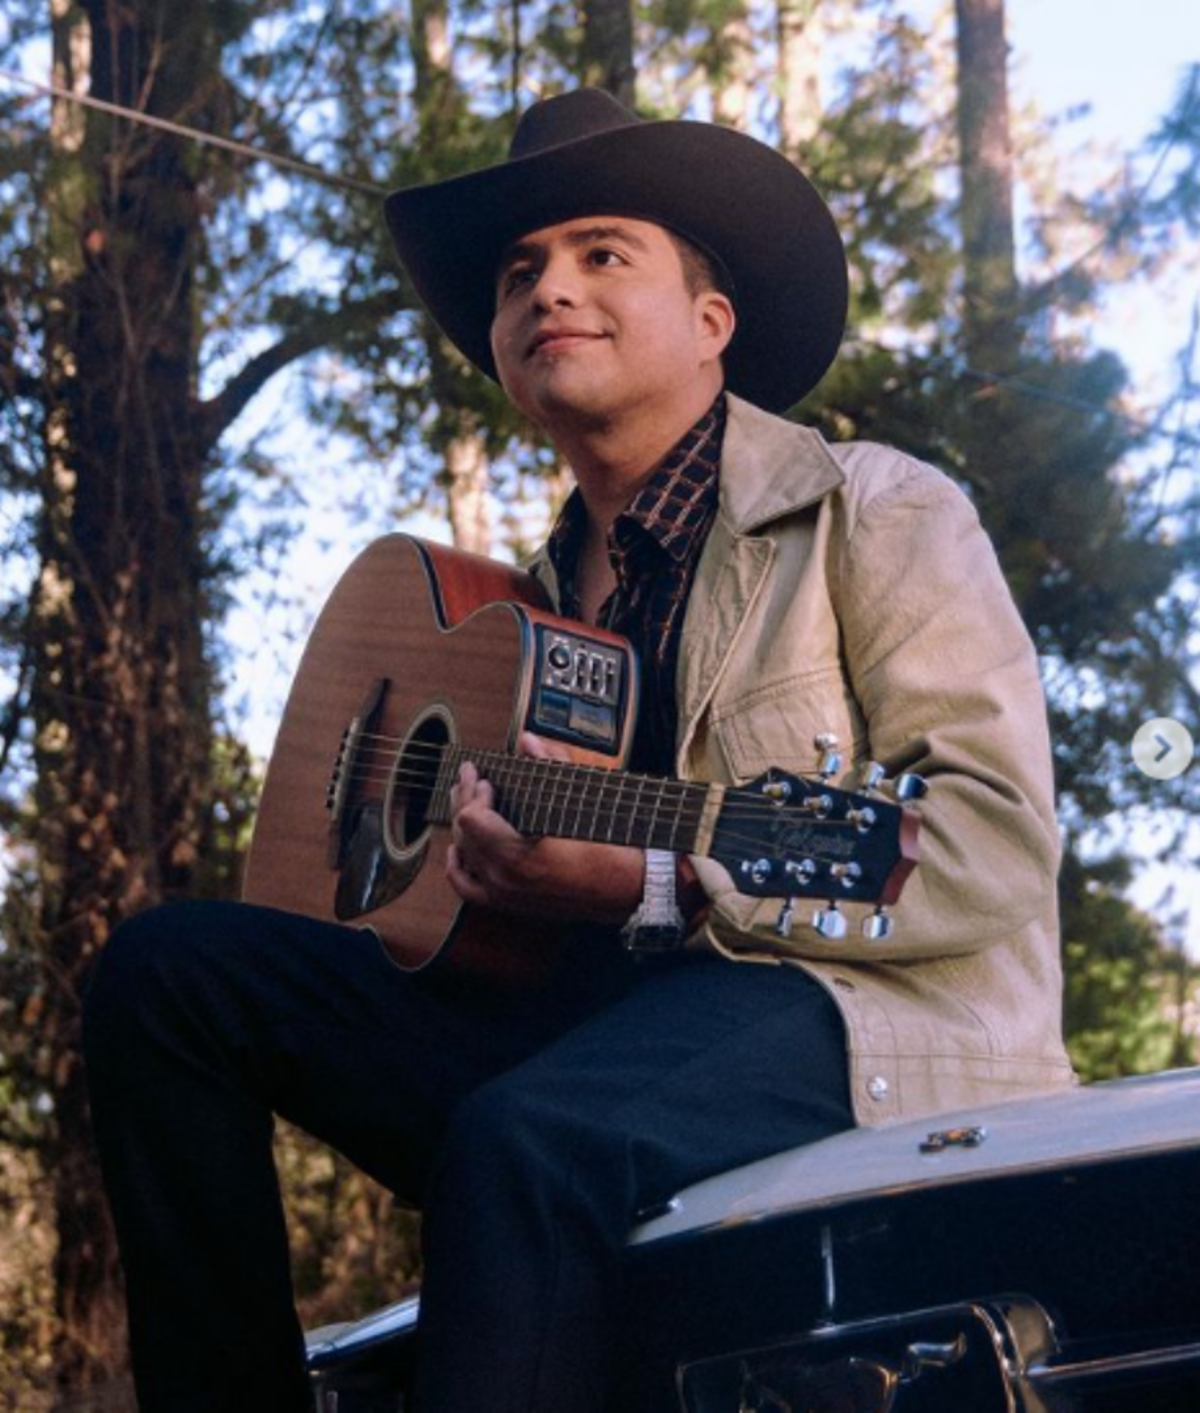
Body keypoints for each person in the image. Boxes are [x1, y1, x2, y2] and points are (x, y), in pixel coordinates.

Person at [83, 88, 1075, 1412]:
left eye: (603, 253)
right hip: (595, 1040)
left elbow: (985, 841)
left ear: (712, 322)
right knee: (167, 977)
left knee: (528, 1140)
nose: (551, 287)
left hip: (850, 1020)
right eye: (520, 273)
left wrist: (656, 880)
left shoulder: (877, 512)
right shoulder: (518, 616)